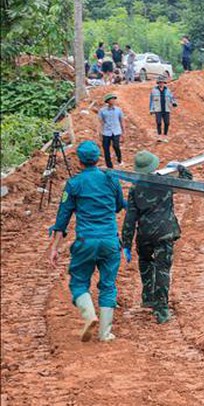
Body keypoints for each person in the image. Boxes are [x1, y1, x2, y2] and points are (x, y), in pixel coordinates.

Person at [47, 140, 125, 342]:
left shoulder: (74, 184)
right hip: (109, 241)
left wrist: (54, 248)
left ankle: (90, 315)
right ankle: (105, 333)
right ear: (98, 158)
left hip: (86, 241)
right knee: (108, 285)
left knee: (79, 282)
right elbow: (119, 206)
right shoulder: (111, 179)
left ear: (79, 162)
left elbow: (62, 220)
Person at [122, 152, 192, 324]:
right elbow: (189, 182)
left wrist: (126, 243)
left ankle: (148, 297)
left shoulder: (135, 189)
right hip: (164, 233)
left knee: (145, 261)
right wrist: (180, 167)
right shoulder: (164, 182)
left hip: (144, 234)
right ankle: (161, 310)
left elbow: (130, 218)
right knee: (162, 269)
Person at [98, 93, 124, 168]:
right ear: (107, 101)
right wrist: (99, 132)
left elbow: (121, 121)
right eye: (111, 99)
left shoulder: (118, 110)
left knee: (116, 146)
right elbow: (101, 122)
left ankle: (119, 159)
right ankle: (109, 165)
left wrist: (123, 132)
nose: (113, 101)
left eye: (114, 99)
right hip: (106, 132)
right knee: (106, 148)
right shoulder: (102, 111)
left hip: (116, 131)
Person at [149, 75, 177, 142]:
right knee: (158, 122)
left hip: (166, 109)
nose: (161, 83)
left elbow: (172, 98)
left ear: (164, 83)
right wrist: (151, 109)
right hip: (158, 109)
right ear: (158, 83)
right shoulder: (154, 91)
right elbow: (151, 100)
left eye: (162, 82)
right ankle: (159, 136)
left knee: (167, 123)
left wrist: (174, 103)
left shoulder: (168, 90)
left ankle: (165, 136)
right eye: (160, 82)